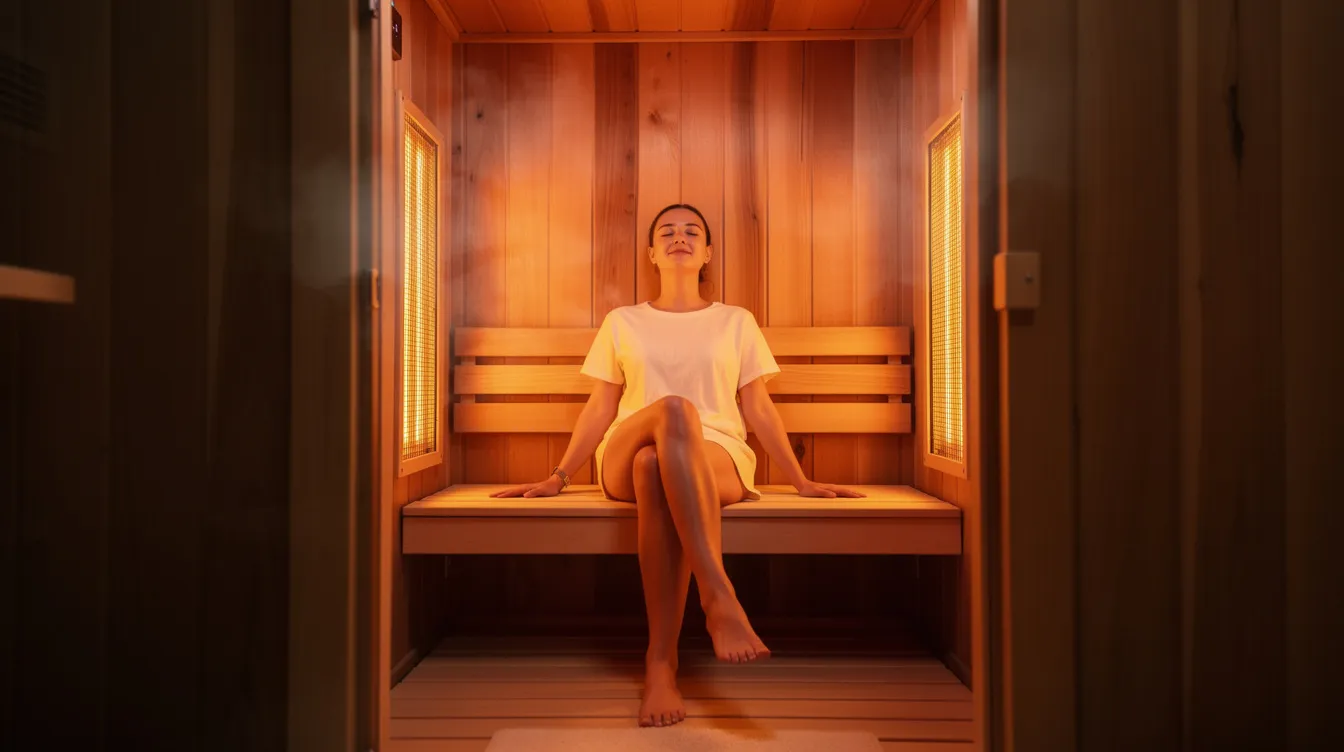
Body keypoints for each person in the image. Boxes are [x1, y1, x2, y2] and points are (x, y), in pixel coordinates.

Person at [490, 204, 865, 727]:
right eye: (667, 232)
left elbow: (757, 407)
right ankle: (718, 595)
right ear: (652, 253)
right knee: (671, 411)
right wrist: (559, 476)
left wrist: (800, 480)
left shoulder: (736, 321)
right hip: (627, 445)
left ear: (707, 253)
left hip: (717, 454)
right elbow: (602, 406)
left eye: (693, 232)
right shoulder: (623, 322)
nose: (679, 237)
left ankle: (660, 664)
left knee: (655, 470)